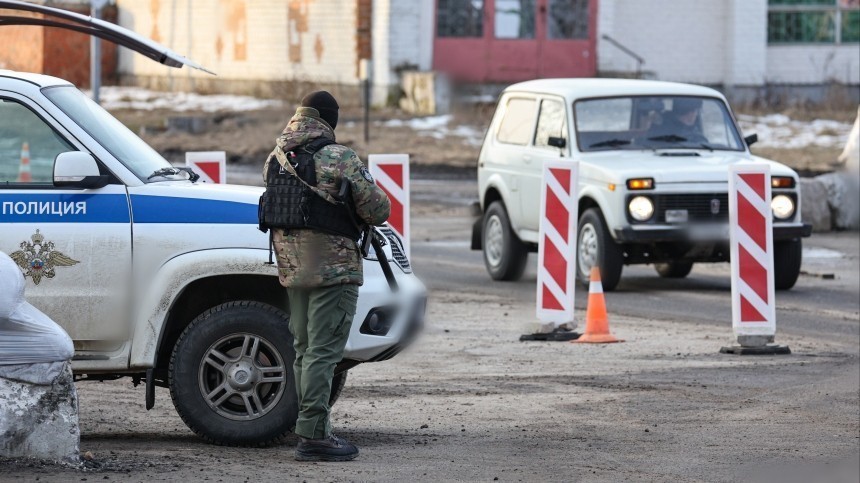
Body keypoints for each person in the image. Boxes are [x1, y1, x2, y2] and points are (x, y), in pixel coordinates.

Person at [260, 91, 390, 461]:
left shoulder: (277, 157)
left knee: (304, 350)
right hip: (333, 270)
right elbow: (378, 209)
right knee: (323, 352)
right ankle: (314, 435)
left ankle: (309, 426)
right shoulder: (339, 157)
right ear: (329, 119)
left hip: (292, 269)